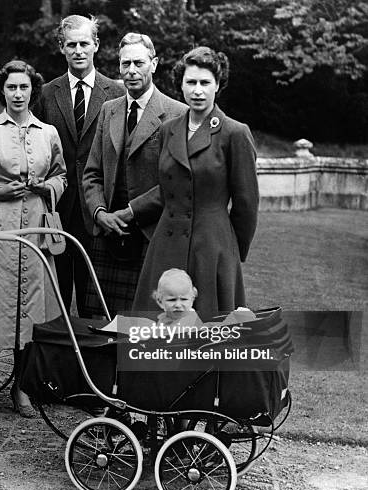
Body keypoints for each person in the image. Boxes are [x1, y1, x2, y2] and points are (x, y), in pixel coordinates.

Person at [133, 47, 259, 318]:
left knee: (205, 334)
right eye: (191, 82)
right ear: (181, 85)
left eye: (205, 83)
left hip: (211, 249)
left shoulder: (234, 133)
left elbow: (246, 205)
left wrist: (231, 252)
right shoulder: (169, 129)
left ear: (218, 85)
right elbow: (167, 191)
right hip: (166, 245)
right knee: (156, 332)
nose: (197, 90)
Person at [0, 60, 67, 418]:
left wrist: (48, 187)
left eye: (24, 87)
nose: (17, 94)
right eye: (11, 87)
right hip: (0, 229)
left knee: (30, 309)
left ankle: (22, 387)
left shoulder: (48, 132)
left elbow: (62, 176)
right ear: (2, 91)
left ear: (33, 91)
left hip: (39, 228)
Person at [82, 33, 187, 317]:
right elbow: (91, 173)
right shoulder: (109, 110)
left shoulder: (177, 114)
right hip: (108, 234)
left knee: (145, 324)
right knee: (103, 324)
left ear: (154, 64)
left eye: (138, 63)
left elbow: (173, 183)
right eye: (125, 63)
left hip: (151, 235)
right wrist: (100, 213)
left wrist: (129, 213)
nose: (131, 71)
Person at [32, 15, 125, 317]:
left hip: (97, 210)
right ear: (61, 48)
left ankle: (91, 364)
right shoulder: (46, 94)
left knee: (94, 305)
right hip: (55, 211)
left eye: (84, 43)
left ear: (96, 45)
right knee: (53, 303)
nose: (78, 50)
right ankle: (58, 364)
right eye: (71, 44)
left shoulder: (117, 93)